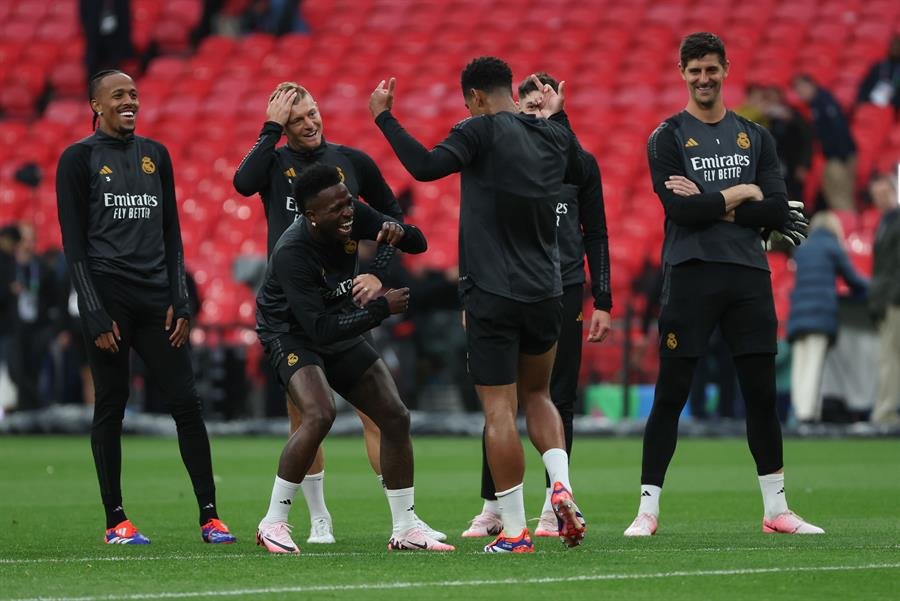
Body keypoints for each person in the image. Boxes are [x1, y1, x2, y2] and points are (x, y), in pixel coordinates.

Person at [370, 56, 587, 553]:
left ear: (474, 97)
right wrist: (559, 115)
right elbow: (580, 167)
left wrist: (383, 117)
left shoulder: (479, 130)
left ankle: (513, 530)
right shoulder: (552, 135)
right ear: (510, 90)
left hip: (492, 292)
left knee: (499, 411)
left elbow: (425, 168)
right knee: (540, 396)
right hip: (548, 292)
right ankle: (561, 485)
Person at [623, 32, 823, 537]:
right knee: (671, 393)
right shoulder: (666, 135)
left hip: (749, 275)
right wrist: (742, 193)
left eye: (712, 69)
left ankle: (776, 509)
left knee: (759, 393)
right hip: (690, 273)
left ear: (726, 70)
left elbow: (777, 208)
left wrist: (716, 203)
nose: (704, 78)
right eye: (695, 70)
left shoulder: (756, 137)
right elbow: (680, 211)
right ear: (682, 72)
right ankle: (647, 510)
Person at [234, 82, 445, 543]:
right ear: (309, 213)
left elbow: (402, 229)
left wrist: (377, 269)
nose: (309, 123)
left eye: (313, 113)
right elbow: (241, 183)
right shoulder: (288, 231)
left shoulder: (350, 175)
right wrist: (379, 309)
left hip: (338, 300)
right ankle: (285, 520)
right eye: (297, 119)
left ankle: (406, 525)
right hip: (292, 318)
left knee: (390, 413)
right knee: (316, 415)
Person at [55, 70, 235, 545]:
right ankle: (116, 521)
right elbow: (74, 246)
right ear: (96, 105)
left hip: (157, 297)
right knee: (112, 404)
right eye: (118, 95)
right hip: (108, 298)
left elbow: (172, 233)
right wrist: (93, 312)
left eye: (134, 94)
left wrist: (180, 299)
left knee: (187, 403)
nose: (130, 101)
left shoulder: (156, 155)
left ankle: (211, 517)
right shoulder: (77, 159)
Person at [461, 72, 612, 540]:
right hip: (510, 287)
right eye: (524, 108)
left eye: (540, 108)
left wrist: (602, 298)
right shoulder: (503, 159)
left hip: (561, 289)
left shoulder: (574, 164)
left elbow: (598, 232)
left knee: (548, 396)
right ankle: (493, 505)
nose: (531, 115)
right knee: (506, 401)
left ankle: (549, 506)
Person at [787, 211, 868, 423]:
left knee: (801, 363)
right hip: (820, 313)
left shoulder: (801, 248)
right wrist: (874, 289)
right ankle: (808, 414)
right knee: (814, 362)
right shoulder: (832, 247)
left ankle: (800, 410)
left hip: (797, 313)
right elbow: (853, 279)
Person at [792, 74, 857, 211]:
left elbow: (839, 129)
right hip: (834, 157)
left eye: (801, 89)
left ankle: (848, 226)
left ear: (811, 85)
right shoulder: (816, 103)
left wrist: (841, 157)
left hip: (838, 157)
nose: (800, 94)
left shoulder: (824, 102)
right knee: (834, 193)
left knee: (841, 195)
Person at [868, 172, 900, 425]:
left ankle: (885, 413)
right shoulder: (886, 221)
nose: (880, 199)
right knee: (888, 358)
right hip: (887, 300)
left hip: (894, 300)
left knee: (890, 358)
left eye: (884, 193)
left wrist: (890, 297)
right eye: (876, 196)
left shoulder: (895, 221)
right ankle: (885, 411)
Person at [857, 34, 900, 113]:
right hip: (871, 104)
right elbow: (864, 87)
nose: (895, 48)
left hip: (893, 109)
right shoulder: (878, 66)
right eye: (893, 45)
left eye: (898, 46)